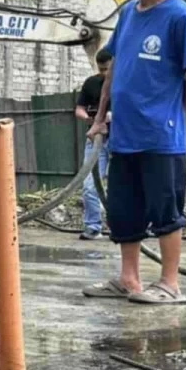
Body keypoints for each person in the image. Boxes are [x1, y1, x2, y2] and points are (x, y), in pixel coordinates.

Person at [84, 0, 186, 305]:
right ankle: (129, 280)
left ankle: (170, 284)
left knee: (165, 210)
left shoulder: (181, 17)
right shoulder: (127, 14)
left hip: (160, 135)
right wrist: (101, 117)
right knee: (125, 210)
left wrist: (172, 111)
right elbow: (114, 70)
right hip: (124, 133)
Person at [75, 49, 113, 240]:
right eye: (101, 69)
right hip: (96, 138)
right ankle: (93, 226)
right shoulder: (91, 83)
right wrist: (91, 120)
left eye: (108, 69)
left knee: (118, 187)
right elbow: (79, 109)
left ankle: (120, 226)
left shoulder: (126, 83)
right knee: (90, 185)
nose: (105, 73)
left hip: (120, 140)